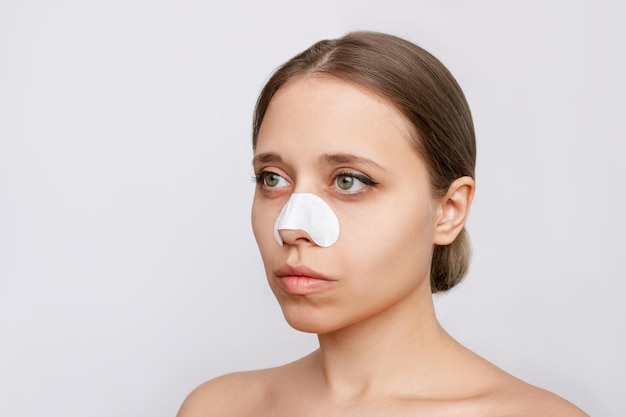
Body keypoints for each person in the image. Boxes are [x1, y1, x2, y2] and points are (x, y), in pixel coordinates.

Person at [177, 31, 588, 416]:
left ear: (449, 210)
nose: (291, 226)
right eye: (273, 178)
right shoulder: (218, 408)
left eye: (349, 181)